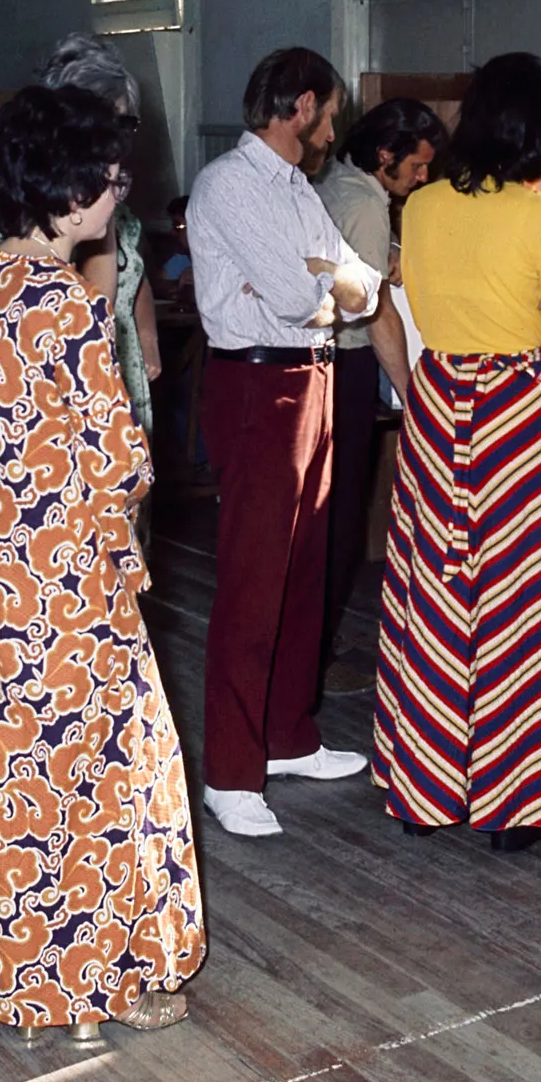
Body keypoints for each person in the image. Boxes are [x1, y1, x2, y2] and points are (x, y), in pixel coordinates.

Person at [0, 84, 204, 1043]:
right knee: (102, 769)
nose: (120, 195)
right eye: (112, 179)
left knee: (13, 762)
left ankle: (25, 979)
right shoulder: (68, 307)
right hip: (74, 582)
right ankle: (87, 994)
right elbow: (117, 458)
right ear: (72, 188)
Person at [372, 51, 541, 852]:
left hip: (438, 399)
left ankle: (424, 789)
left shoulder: (421, 207)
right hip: (516, 408)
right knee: (522, 599)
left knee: (434, 588)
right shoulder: (539, 214)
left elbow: (420, 302)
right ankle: (520, 802)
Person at [186, 47, 381, 838]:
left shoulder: (298, 187)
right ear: (300, 105)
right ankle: (230, 771)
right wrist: (324, 280)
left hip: (315, 378)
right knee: (255, 578)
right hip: (257, 383)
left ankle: (287, 738)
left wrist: (328, 278)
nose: (332, 128)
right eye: (328, 112)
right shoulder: (228, 184)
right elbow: (303, 294)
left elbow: (367, 283)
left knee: (306, 570)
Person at [315, 96, 446, 687]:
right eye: (416, 167)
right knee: (341, 519)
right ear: (385, 154)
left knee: (327, 514)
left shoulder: (334, 181)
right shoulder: (367, 202)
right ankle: (319, 652)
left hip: (316, 366)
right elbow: (378, 315)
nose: (424, 178)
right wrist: (413, 394)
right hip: (347, 368)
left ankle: (316, 644)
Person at [41, 36, 161, 435]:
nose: (116, 142)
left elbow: (134, 274)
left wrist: (146, 335)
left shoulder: (116, 211)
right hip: (76, 405)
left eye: (125, 124)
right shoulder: (59, 218)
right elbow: (93, 307)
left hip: (125, 386)